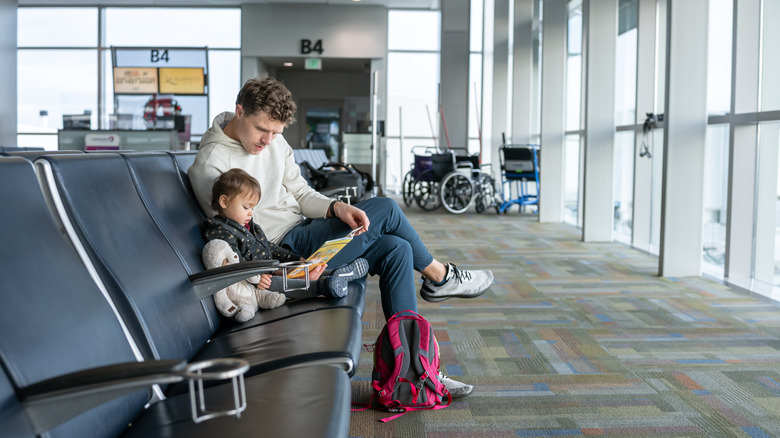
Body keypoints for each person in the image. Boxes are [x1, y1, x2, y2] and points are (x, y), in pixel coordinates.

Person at [188, 76, 494, 397]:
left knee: (397, 249)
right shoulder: (212, 164)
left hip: (303, 231)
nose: (268, 140)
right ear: (239, 111)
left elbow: (302, 191)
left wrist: (335, 207)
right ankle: (440, 277)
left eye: (276, 132)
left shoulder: (274, 142)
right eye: (263, 129)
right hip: (281, 253)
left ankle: (414, 371)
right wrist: (282, 269)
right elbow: (231, 234)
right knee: (388, 209)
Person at [203, 167, 368, 299]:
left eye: (253, 208)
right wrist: (257, 276)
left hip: (270, 269)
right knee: (281, 283)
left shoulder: (250, 226)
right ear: (224, 202)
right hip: (257, 283)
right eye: (246, 207)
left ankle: (335, 274)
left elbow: (269, 247)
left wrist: (296, 259)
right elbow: (232, 262)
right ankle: (323, 286)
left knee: (303, 269)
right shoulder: (220, 231)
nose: (251, 213)